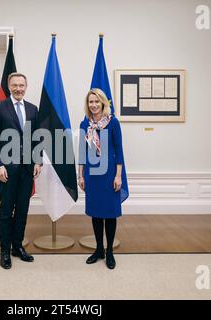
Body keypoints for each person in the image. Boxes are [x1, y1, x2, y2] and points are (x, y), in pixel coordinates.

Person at [0, 72, 41, 269]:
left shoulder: (33, 109)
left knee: (22, 211)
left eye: (22, 85)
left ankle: (17, 246)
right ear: (9, 87)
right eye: (15, 85)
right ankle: (5, 251)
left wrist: (37, 161)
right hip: (6, 170)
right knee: (6, 211)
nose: (19, 88)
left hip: (27, 170)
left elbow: (37, 138)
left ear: (26, 87)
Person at [78, 88, 127, 270]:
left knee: (110, 213)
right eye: (91, 102)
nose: (94, 105)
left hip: (109, 174)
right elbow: (82, 152)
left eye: (97, 101)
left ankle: (110, 252)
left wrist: (118, 175)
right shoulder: (85, 125)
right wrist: (81, 175)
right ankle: (99, 249)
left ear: (103, 103)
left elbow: (119, 149)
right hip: (92, 175)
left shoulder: (113, 123)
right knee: (96, 213)